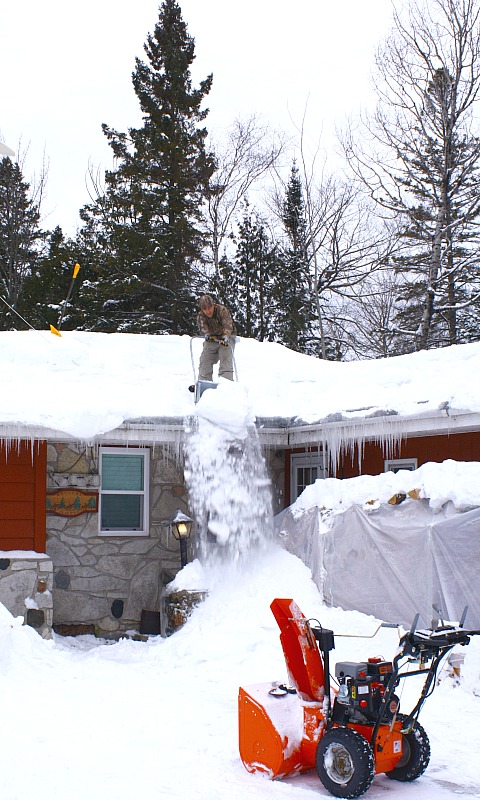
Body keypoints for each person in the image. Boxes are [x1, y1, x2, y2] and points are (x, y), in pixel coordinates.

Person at [196, 295, 237, 381]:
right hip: (213, 338)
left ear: (213, 305)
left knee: (225, 357)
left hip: (227, 337)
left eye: (209, 308)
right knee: (205, 359)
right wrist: (207, 334)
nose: (208, 311)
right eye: (205, 309)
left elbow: (228, 325)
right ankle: (204, 382)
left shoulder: (222, 311)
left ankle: (226, 383)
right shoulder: (201, 316)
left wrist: (226, 336)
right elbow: (203, 327)